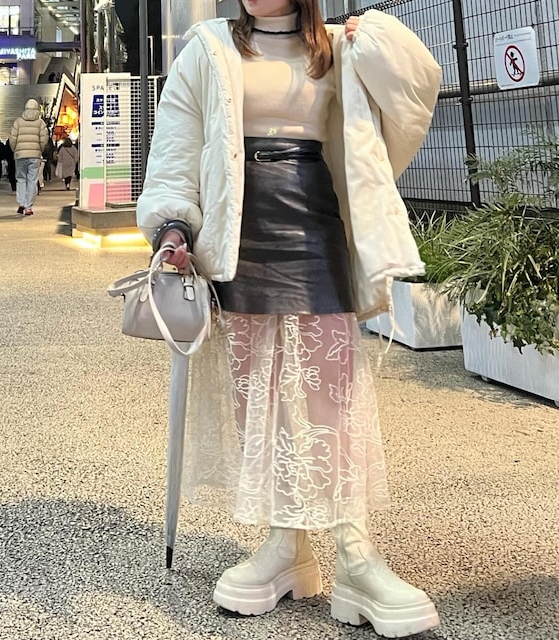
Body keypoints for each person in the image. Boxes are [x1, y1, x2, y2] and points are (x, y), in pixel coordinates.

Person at [136, 1, 442, 638]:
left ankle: (355, 555)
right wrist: (172, 226)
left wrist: (377, 36)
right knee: (259, 395)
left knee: (333, 393)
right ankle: (286, 546)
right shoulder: (209, 46)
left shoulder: (338, 45)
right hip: (237, 236)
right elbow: (176, 146)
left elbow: (416, 95)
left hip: (315, 228)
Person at [9, 99, 48, 216]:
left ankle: (21, 202)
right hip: (34, 155)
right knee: (32, 180)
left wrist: (16, 150)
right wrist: (39, 150)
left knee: (21, 178)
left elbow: (12, 139)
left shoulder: (18, 122)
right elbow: (44, 139)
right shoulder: (41, 123)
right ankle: (28, 207)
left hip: (20, 155)